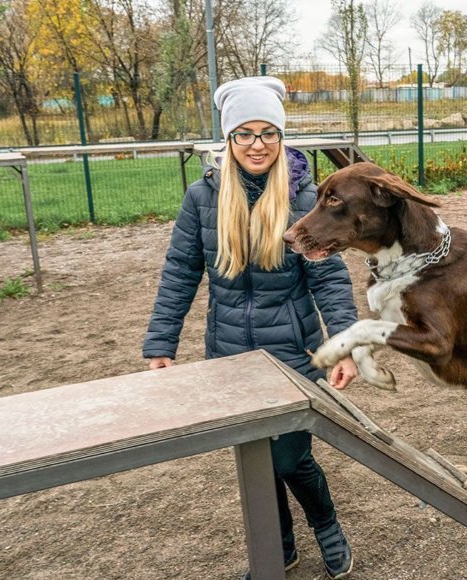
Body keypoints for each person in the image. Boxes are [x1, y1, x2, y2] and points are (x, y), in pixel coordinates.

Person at [143, 76, 358, 579]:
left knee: (288, 460)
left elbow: (328, 276)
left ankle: (327, 526)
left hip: (293, 354)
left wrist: (345, 344)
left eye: (268, 133)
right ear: (229, 140)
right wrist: (161, 344)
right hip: (230, 356)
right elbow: (179, 273)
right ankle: (277, 547)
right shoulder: (202, 198)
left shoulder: (305, 197)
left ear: (281, 138)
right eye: (245, 133)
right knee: (254, 463)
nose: (257, 144)